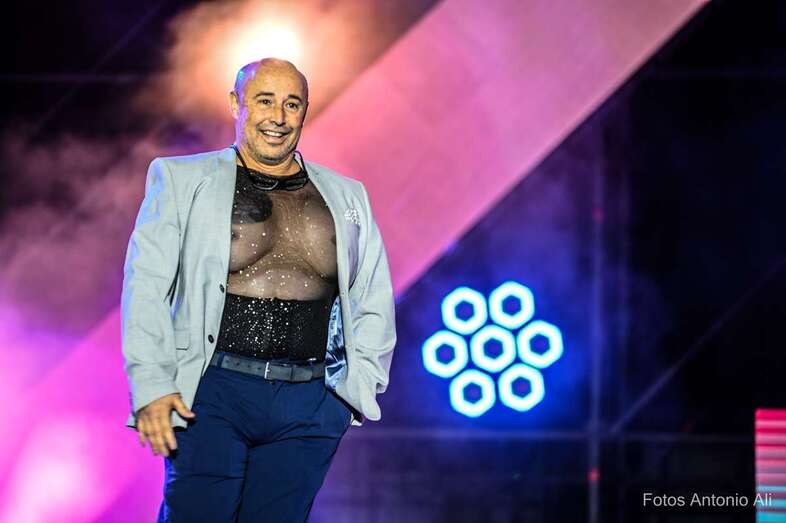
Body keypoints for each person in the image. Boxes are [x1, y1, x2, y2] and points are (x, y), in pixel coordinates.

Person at [120, 57, 396, 522]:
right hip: (212, 392)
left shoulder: (347, 196)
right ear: (237, 104)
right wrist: (151, 385)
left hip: (310, 401)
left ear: (305, 110)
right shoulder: (181, 179)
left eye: (292, 104)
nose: (278, 117)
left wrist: (353, 392)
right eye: (265, 101)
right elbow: (146, 287)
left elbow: (372, 296)